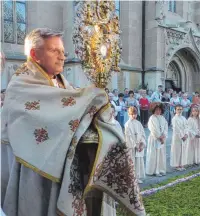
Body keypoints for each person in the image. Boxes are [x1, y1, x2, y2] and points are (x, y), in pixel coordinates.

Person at [1, 28, 144, 216]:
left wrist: (95, 107)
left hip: (58, 171)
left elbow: (72, 106)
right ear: (35, 54)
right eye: (55, 51)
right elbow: (48, 118)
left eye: (63, 52)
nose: (62, 57)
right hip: (34, 175)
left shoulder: (60, 82)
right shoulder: (21, 86)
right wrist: (90, 99)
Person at [124, 107, 146, 183]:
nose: (134, 116)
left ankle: (137, 177)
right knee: (132, 161)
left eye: (135, 114)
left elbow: (142, 134)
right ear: (129, 114)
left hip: (139, 145)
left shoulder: (138, 123)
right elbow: (128, 136)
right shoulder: (127, 124)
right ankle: (131, 177)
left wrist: (142, 144)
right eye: (132, 114)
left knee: (138, 162)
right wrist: (135, 145)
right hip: (132, 147)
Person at [146, 102, 168, 176]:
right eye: (156, 110)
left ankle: (160, 169)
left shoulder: (162, 118)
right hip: (154, 139)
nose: (158, 111)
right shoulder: (152, 118)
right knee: (154, 155)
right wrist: (159, 137)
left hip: (162, 139)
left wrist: (164, 135)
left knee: (161, 154)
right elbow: (153, 129)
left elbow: (165, 127)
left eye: (159, 110)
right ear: (153, 110)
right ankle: (154, 171)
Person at [170, 105, 189, 171]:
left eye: (181, 109)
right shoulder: (174, 119)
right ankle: (176, 165)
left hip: (184, 136)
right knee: (177, 151)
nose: (179, 111)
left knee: (182, 150)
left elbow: (187, 126)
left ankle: (181, 164)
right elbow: (176, 129)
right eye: (178, 109)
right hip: (177, 137)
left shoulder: (183, 118)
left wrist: (186, 134)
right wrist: (182, 136)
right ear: (175, 110)